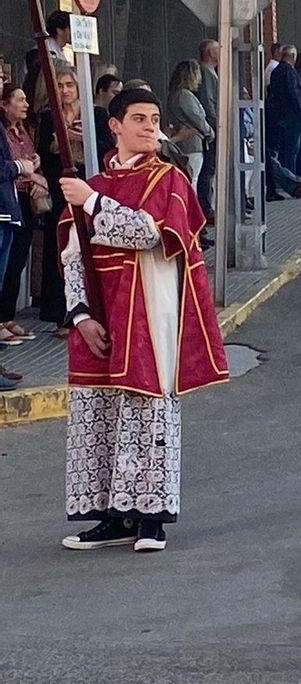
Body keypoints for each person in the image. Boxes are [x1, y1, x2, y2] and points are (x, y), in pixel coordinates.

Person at [58, 88, 229, 553]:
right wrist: (80, 315)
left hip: (150, 313)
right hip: (103, 315)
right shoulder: (95, 182)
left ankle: (150, 517)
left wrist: (92, 203)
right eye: (139, 118)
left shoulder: (168, 180)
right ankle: (114, 517)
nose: (151, 126)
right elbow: (74, 256)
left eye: (154, 118)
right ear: (114, 126)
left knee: (147, 408)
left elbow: (150, 234)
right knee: (102, 414)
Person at [37, 63, 113, 337]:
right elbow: (42, 155)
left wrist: (82, 138)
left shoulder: (96, 114)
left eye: (69, 85)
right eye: (59, 86)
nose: (65, 91)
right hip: (60, 188)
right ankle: (61, 314)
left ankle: (92, 308)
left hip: (89, 183)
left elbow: (107, 148)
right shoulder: (49, 117)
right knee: (60, 246)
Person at [0, 83, 43, 358]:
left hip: (19, 203)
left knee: (13, 264)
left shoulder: (23, 131)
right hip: (8, 198)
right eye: (20, 99)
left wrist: (33, 165)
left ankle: (6, 316)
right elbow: (10, 165)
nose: (26, 104)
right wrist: (23, 168)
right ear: (5, 104)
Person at [265, 45, 301, 199]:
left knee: (288, 150)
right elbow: (293, 93)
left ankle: (291, 180)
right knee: (291, 150)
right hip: (291, 118)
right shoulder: (288, 71)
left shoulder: (276, 70)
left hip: (281, 117)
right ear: (293, 56)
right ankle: (291, 181)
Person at [164, 60, 213, 183]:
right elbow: (197, 118)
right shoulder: (185, 95)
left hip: (181, 142)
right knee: (192, 179)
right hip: (192, 143)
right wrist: (209, 132)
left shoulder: (174, 95)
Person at [196, 41, 221, 219]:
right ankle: (206, 208)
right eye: (218, 49)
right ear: (211, 53)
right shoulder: (206, 72)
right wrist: (216, 122)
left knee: (210, 167)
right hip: (212, 124)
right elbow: (208, 100)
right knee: (208, 168)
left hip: (212, 122)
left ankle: (208, 205)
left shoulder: (211, 72)